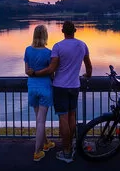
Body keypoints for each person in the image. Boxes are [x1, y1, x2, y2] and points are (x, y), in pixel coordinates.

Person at [29, 21, 92, 163]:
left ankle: (67, 151)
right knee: (71, 116)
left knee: (63, 118)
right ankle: (71, 146)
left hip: (60, 87)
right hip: (75, 86)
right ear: (75, 31)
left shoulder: (58, 47)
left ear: (63, 31)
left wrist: (35, 73)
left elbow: (51, 69)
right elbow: (88, 66)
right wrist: (87, 76)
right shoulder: (82, 45)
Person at [24, 24, 56, 162]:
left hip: (32, 88)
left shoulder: (28, 50)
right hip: (45, 88)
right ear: (45, 36)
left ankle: (46, 143)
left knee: (39, 119)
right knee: (41, 121)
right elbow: (51, 72)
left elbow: (27, 71)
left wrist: (33, 73)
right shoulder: (48, 53)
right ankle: (37, 152)